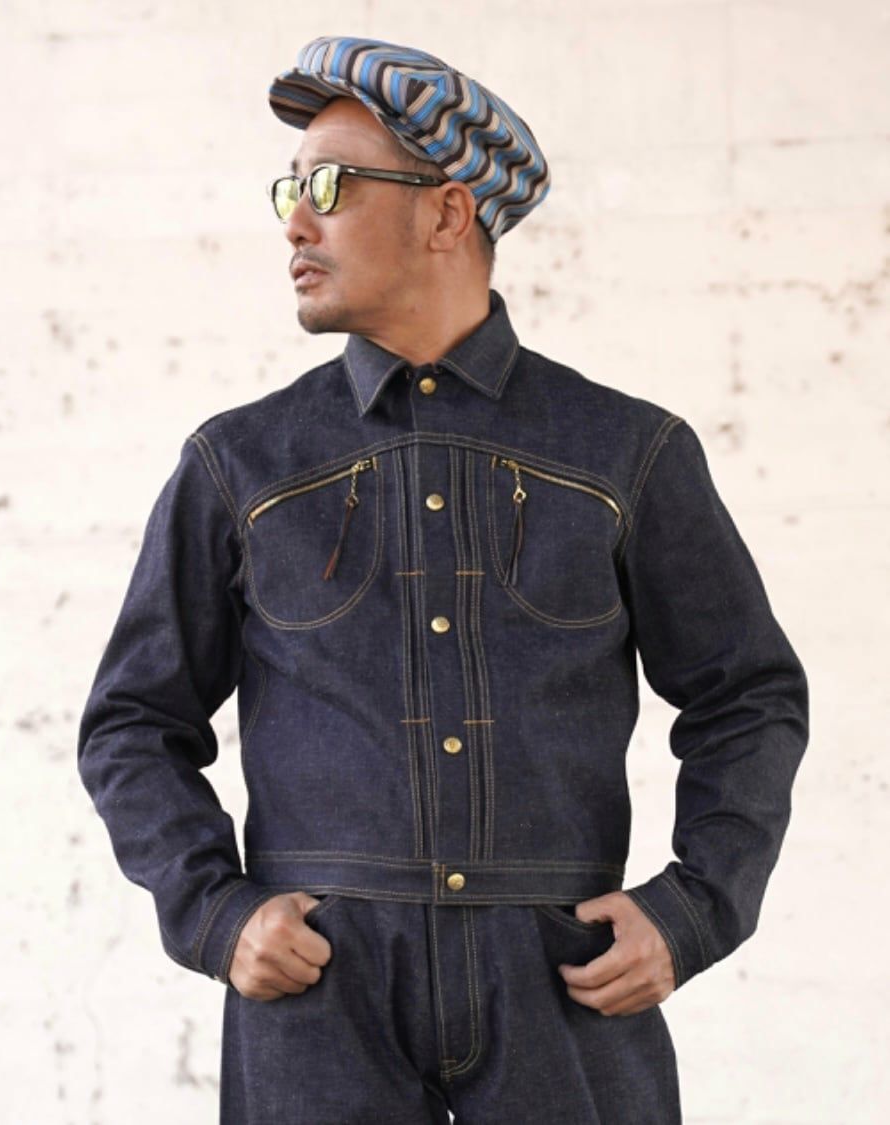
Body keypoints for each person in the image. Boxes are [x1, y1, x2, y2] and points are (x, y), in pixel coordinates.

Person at [77, 35, 809, 1125]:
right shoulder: (241, 464)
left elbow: (747, 695)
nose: (295, 221)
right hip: (322, 995)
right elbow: (132, 721)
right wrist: (216, 912)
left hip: (564, 984)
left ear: (447, 212)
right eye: (289, 188)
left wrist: (695, 908)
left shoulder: (627, 452)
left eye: (330, 185)